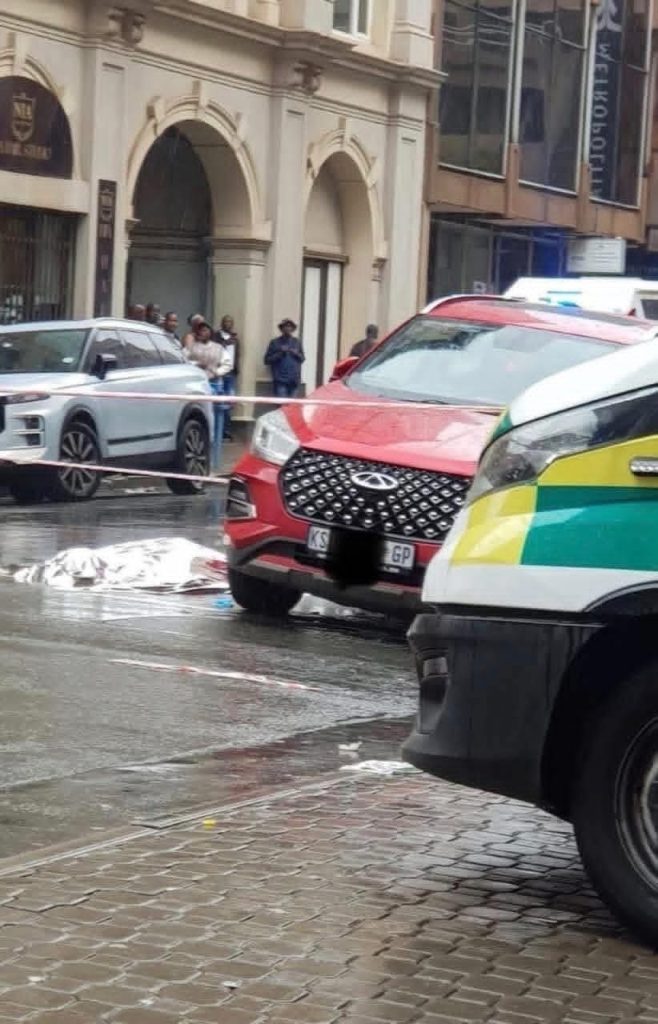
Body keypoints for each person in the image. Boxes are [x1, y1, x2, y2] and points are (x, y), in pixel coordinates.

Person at [184, 320, 232, 470]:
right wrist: (196, 365)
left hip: (215, 384)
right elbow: (183, 360)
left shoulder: (218, 348)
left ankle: (215, 460)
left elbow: (228, 364)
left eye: (205, 330)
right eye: (200, 330)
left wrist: (217, 372)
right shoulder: (191, 347)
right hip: (198, 384)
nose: (203, 332)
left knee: (215, 421)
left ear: (210, 332)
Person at [264, 319, 304, 399]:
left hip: (294, 380)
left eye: (290, 327)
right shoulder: (275, 342)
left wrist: (296, 354)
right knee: (282, 404)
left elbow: (302, 358)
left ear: (293, 329)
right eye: (286, 326)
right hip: (281, 381)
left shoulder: (297, 342)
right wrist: (280, 353)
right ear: (281, 329)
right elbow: (267, 360)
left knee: (292, 405)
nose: (288, 328)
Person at [216, 315, 239, 440]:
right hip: (219, 372)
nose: (228, 324)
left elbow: (237, 355)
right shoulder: (216, 336)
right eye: (226, 322)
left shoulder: (235, 338)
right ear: (222, 323)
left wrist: (236, 370)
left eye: (230, 322)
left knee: (229, 403)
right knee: (219, 402)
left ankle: (226, 430)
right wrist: (225, 344)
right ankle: (219, 431)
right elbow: (214, 350)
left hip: (231, 374)